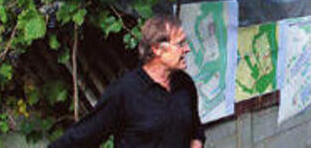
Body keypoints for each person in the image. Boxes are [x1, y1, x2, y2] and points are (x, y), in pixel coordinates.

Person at [50, 14, 205, 148]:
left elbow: (196, 130)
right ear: (157, 49)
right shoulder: (124, 92)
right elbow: (81, 137)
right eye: (180, 44)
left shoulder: (185, 84)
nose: (187, 49)